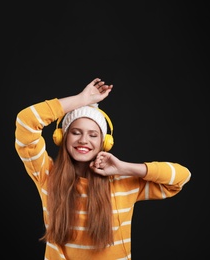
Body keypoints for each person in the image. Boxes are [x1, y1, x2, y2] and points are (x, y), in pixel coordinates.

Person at [14, 77, 191, 259]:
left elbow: (180, 178)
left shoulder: (123, 182)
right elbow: (25, 122)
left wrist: (125, 168)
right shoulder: (47, 175)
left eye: (93, 135)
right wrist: (82, 100)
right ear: (62, 137)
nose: (84, 140)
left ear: (104, 142)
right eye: (76, 132)